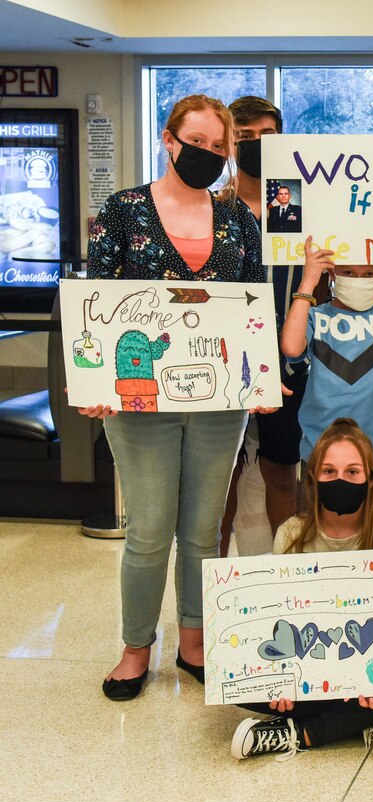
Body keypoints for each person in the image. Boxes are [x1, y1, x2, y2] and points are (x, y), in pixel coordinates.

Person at [82, 94, 266, 700]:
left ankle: (193, 639)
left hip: (219, 401)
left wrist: (259, 380)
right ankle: (137, 648)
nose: (209, 155)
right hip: (139, 398)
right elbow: (97, 304)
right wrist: (92, 384)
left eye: (220, 147)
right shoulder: (124, 210)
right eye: (199, 142)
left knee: (204, 527)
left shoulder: (240, 220)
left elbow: (252, 311)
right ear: (168, 139)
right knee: (150, 529)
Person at [231, 418, 373, 759]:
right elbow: (278, 624)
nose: (340, 480)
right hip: (310, 670)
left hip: (370, 668)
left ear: (370, 480)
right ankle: (368, 720)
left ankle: (303, 732)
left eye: (352, 472)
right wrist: (279, 680)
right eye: (329, 472)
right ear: (313, 479)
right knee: (229, 673)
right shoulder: (291, 535)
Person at [218, 96, 311, 556]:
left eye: (266, 136)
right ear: (229, 142)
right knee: (220, 478)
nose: (256, 144)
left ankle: (285, 578)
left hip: (288, 366)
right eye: (244, 136)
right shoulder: (213, 208)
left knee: (281, 472)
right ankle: (207, 590)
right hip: (223, 365)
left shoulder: (295, 206)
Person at [280, 237, 373, 502]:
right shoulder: (315, 315)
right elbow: (291, 347)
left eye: (368, 273)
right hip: (319, 449)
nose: (358, 279)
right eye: (348, 273)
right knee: (316, 535)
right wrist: (308, 280)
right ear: (333, 273)